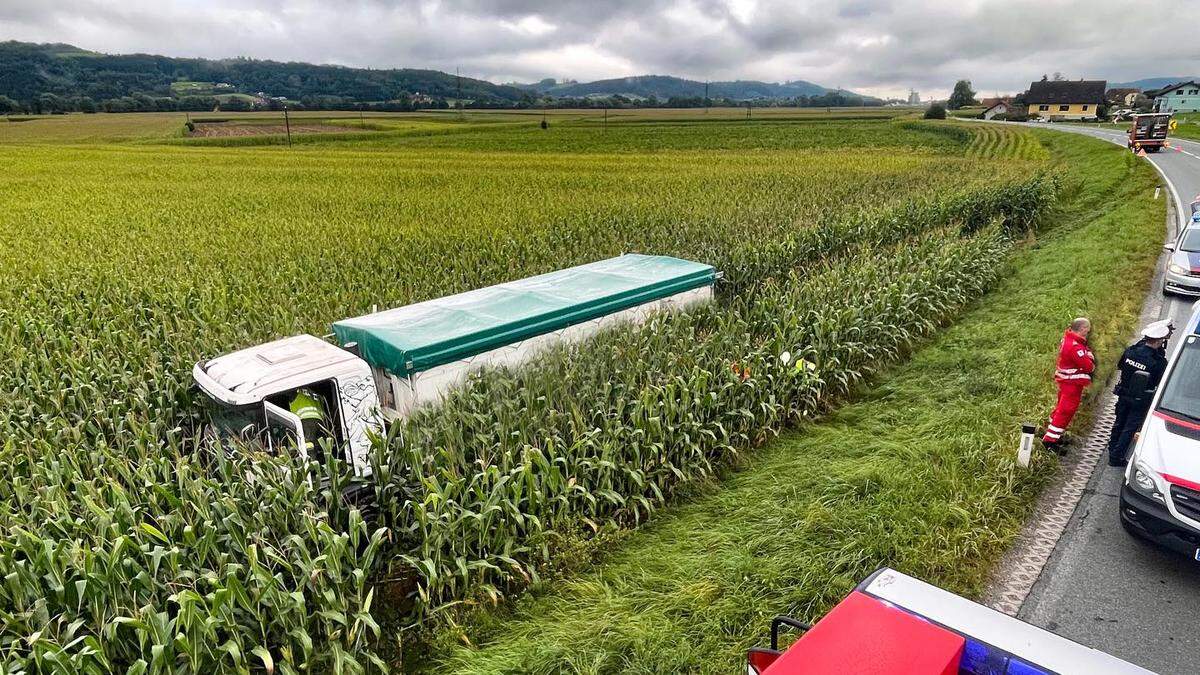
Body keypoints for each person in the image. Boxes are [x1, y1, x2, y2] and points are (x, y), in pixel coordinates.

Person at [1107, 322, 1170, 466]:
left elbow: (1121, 366)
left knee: (1119, 422)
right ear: (1159, 340)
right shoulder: (1159, 362)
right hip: (1140, 399)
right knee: (1130, 428)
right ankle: (1116, 458)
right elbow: (1160, 382)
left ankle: (1112, 448)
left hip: (1123, 393)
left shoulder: (1130, 351)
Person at [1043, 317, 1095, 451]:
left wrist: (1086, 353)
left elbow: (1085, 350)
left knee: (1060, 409)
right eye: (1087, 329)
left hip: (1067, 382)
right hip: (1072, 384)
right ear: (1082, 329)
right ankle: (1050, 442)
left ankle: (1052, 432)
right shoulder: (1075, 347)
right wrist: (1089, 359)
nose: (1088, 332)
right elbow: (1089, 366)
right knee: (1065, 411)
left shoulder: (1070, 340)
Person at [288, 387, 331, 458]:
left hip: (306, 421)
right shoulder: (315, 392)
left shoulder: (296, 391)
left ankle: (310, 466)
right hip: (321, 423)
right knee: (320, 447)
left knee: (308, 449)